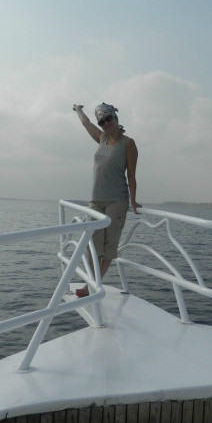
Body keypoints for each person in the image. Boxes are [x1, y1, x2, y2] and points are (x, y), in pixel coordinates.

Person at [72, 102, 141, 297]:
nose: (105, 124)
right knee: (93, 245)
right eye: (101, 122)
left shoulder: (128, 143)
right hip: (96, 200)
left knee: (109, 247)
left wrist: (133, 201)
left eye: (108, 119)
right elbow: (86, 123)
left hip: (117, 201)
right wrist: (78, 109)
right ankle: (91, 283)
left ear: (115, 118)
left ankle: (90, 287)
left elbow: (131, 175)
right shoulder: (102, 138)